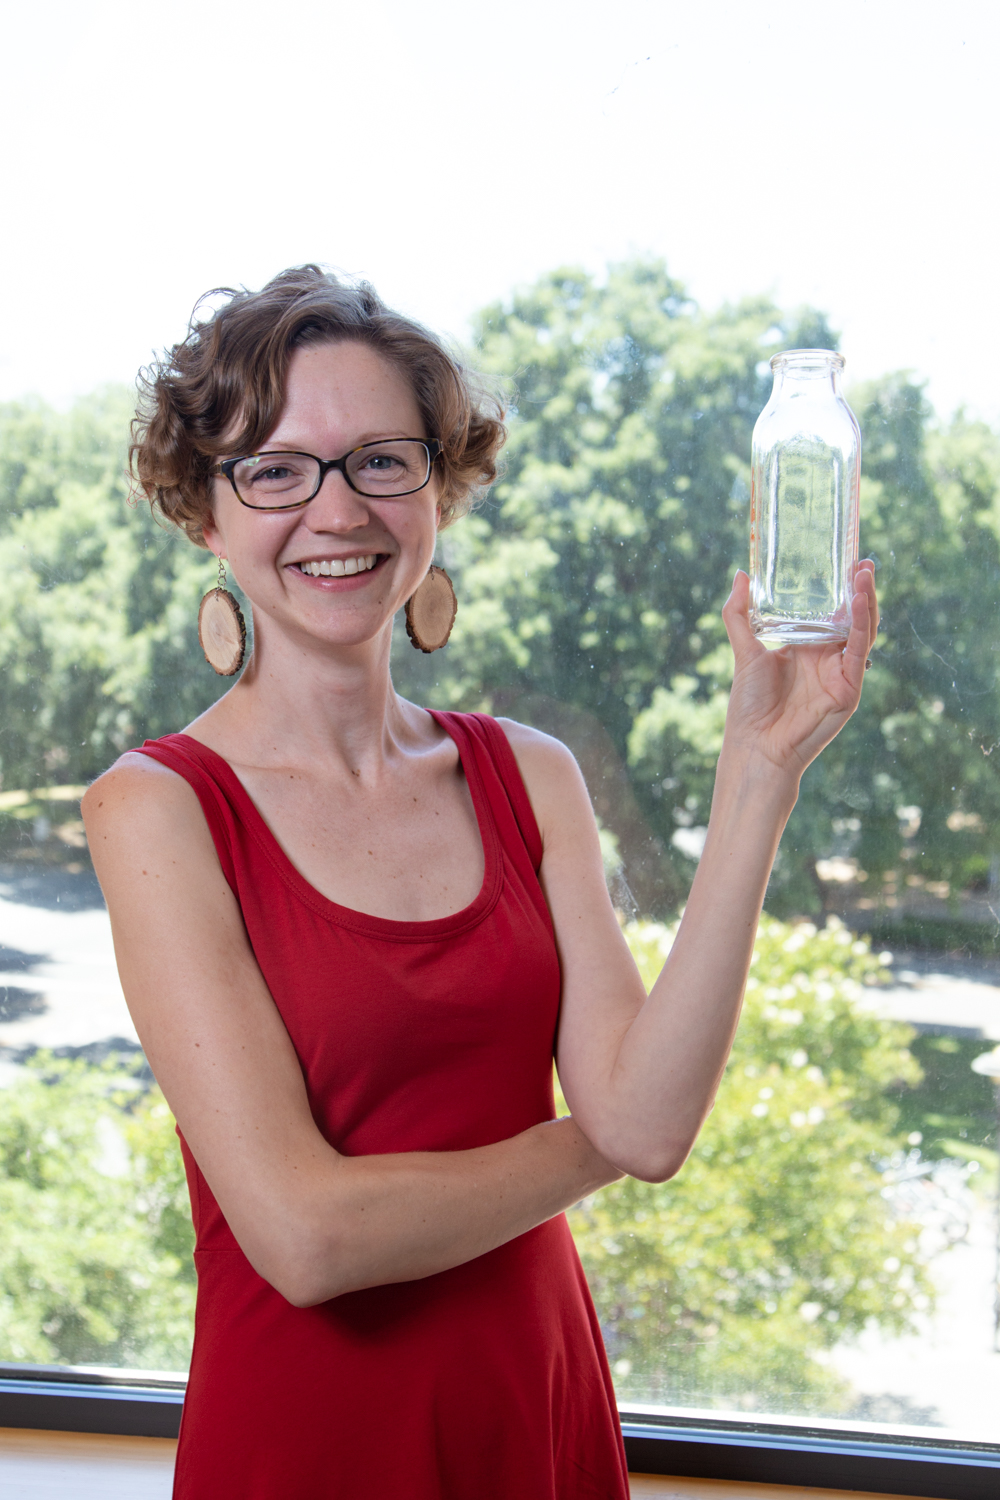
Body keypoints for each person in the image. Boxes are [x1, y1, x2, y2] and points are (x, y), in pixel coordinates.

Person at [82, 265, 878, 1500]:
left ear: (439, 489)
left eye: (382, 462)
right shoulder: (158, 807)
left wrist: (759, 771)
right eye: (276, 469)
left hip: (536, 1403)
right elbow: (307, 1237)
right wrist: (603, 1141)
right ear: (204, 509)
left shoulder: (531, 775)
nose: (335, 509)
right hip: (308, 1444)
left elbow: (649, 1110)